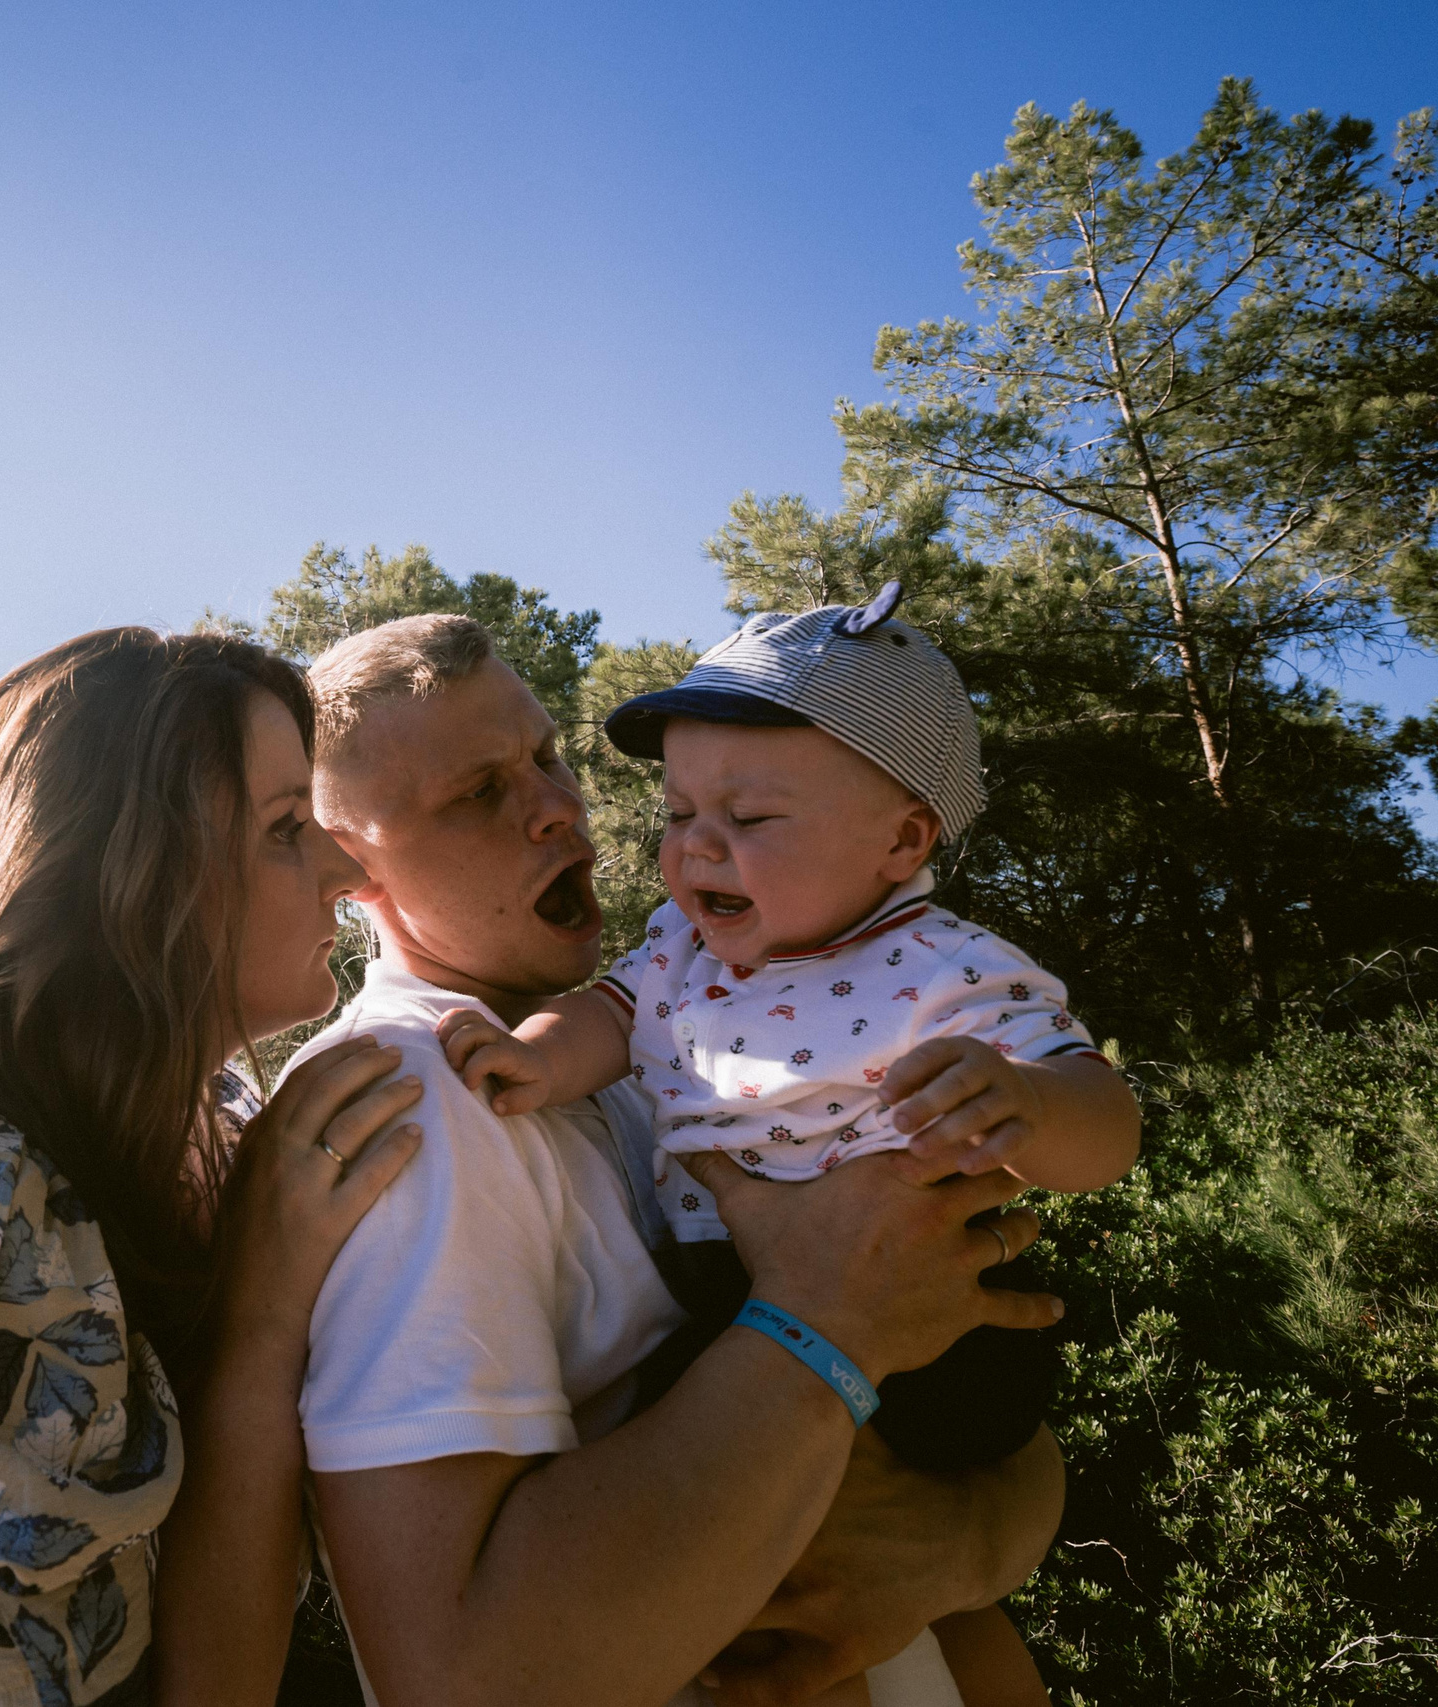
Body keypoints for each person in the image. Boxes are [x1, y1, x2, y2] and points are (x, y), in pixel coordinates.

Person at [287, 613, 1071, 1707]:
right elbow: (458, 1681)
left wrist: (959, 1535)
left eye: (547, 757)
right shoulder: (408, 1101)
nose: (561, 806)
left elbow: (992, 1416)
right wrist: (826, 1324)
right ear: (349, 868)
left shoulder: (670, 1040)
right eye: (479, 793)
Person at [0, 627, 423, 1707]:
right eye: (281, 829)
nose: (349, 871)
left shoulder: (208, 1111)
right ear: (120, 872)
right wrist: (265, 1311)